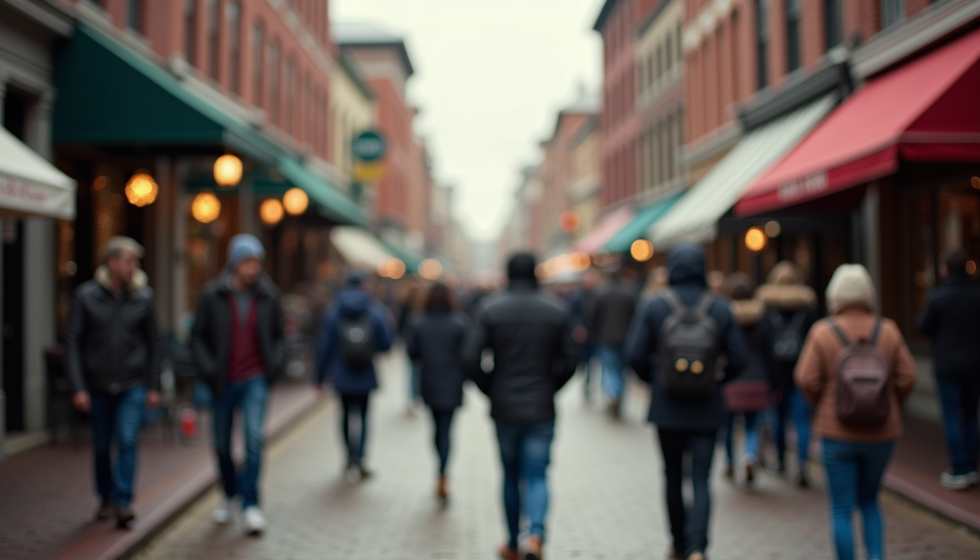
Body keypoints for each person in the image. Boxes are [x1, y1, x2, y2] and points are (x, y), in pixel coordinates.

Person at [624, 244, 747, 560]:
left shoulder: (654, 306)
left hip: (667, 408)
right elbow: (739, 358)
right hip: (707, 406)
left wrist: (657, 382)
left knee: (673, 476)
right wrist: (715, 380)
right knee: (702, 479)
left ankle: (678, 544)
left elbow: (635, 355)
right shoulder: (720, 307)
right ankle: (698, 548)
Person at [795, 264, 916, 560]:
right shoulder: (887, 330)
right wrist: (888, 404)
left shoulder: (823, 331)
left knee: (841, 507)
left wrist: (825, 404)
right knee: (871, 501)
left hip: (837, 434)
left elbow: (805, 378)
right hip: (881, 433)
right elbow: (908, 377)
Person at [462, 252, 578, 560]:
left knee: (511, 475)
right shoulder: (556, 309)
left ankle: (513, 543)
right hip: (541, 406)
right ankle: (536, 535)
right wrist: (551, 387)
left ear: (507, 274)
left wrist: (492, 389)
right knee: (538, 474)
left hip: (505, 408)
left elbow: (471, 358)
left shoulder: (490, 308)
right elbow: (571, 359)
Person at [191, 234, 284, 536]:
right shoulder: (212, 295)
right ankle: (228, 494)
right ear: (234, 262)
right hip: (223, 381)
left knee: (254, 440)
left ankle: (251, 504)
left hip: (255, 378)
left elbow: (280, 335)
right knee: (221, 444)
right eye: (248, 261)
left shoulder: (269, 295)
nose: (254, 268)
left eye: (257, 261)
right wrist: (208, 368)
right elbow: (198, 338)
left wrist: (275, 365)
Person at [65, 236, 161, 528]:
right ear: (112, 262)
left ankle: (123, 501)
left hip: (132, 384)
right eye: (129, 261)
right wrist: (78, 386)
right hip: (97, 385)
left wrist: (153, 385)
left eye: (136, 262)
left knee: (128, 440)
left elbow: (154, 343)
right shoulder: (86, 296)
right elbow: (73, 342)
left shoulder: (143, 297)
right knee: (102, 445)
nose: (135, 267)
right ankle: (105, 496)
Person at [315, 271, 394, 482]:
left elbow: (324, 346)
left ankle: (348, 458)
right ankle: (360, 460)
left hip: (341, 373)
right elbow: (386, 343)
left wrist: (320, 377)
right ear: (364, 285)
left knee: (345, 416)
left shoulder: (334, 310)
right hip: (366, 372)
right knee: (364, 417)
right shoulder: (374, 309)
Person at [917, 247, 980, 489]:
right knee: (971, 416)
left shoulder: (937, 298)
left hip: (947, 366)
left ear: (944, 269)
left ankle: (959, 468)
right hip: (974, 366)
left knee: (952, 416)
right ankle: (971, 468)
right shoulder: (977, 296)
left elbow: (922, 327)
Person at [757, 261, 819, 486]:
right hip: (803, 372)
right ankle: (802, 462)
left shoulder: (767, 308)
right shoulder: (808, 309)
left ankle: (781, 460)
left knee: (779, 419)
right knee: (802, 420)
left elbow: (763, 345)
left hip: (776, 374)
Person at [407, 282, 468, 505]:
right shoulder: (459, 323)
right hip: (452, 384)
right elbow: (467, 353)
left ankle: (439, 471)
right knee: (447, 430)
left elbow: (412, 353)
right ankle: (443, 472)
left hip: (430, 382)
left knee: (435, 430)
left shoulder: (418, 322)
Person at [721, 273, 774, 486]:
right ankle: (750, 456)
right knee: (753, 424)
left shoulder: (725, 316)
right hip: (757, 377)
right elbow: (770, 354)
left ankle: (730, 463)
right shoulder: (763, 317)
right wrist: (774, 383)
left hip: (732, 378)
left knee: (728, 426)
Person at [588, 265, 638, 417]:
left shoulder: (600, 292)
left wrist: (593, 333)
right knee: (622, 370)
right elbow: (636, 316)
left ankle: (613, 394)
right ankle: (618, 397)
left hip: (606, 338)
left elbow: (593, 316)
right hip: (626, 338)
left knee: (609, 368)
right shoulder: (629, 292)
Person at [568, 268, 598, 400]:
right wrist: (578, 327)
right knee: (584, 362)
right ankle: (585, 386)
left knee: (594, 363)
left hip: (595, 334)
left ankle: (591, 386)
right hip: (582, 336)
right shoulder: (577, 296)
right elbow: (572, 313)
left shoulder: (597, 294)